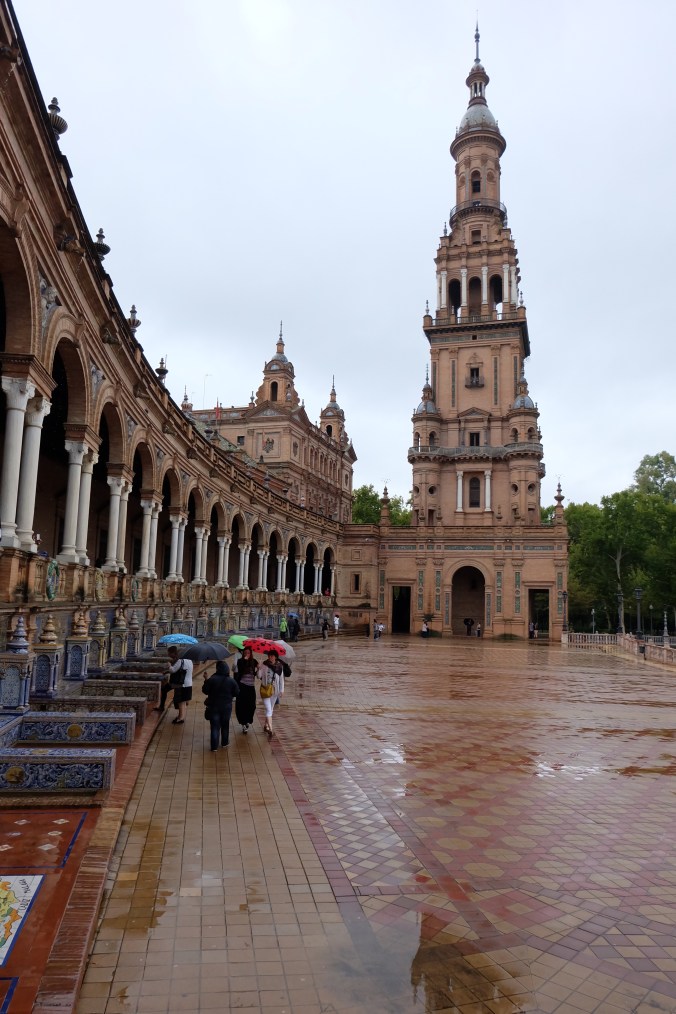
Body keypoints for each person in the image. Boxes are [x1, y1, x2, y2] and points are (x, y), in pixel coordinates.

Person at [202, 661, 239, 751]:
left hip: (214, 706)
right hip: (226, 706)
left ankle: (214, 746)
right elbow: (237, 692)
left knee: (215, 726)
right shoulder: (231, 681)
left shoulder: (212, 679)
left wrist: (206, 679)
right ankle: (224, 742)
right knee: (225, 724)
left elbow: (205, 691)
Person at [258, 648, 284, 738]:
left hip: (275, 691)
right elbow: (259, 676)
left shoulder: (279, 666)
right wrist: (259, 668)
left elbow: (281, 679)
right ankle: (271, 729)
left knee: (271, 709)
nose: (270, 657)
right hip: (265, 689)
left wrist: (281, 690)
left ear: (275, 657)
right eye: (269, 655)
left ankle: (266, 726)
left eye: (272, 656)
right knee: (268, 709)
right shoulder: (264, 665)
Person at [164, 645, 193, 725]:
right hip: (189, 683)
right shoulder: (190, 661)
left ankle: (180, 718)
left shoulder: (181, 661)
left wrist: (169, 665)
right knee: (184, 701)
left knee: (181, 702)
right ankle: (181, 716)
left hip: (182, 684)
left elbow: (173, 670)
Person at [234, 646, 258, 732]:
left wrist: (258, 668)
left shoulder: (254, 661)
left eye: (248, 653)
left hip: (251, 686)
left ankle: (248, 720)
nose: (247, 654)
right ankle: (243, 722)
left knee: (252, 705)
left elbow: (255, 673)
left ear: (251, 654)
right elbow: (241, 670)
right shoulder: (240, 661)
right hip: (242, 685)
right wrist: (245, 661)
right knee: (242, 705)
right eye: (245, 653)